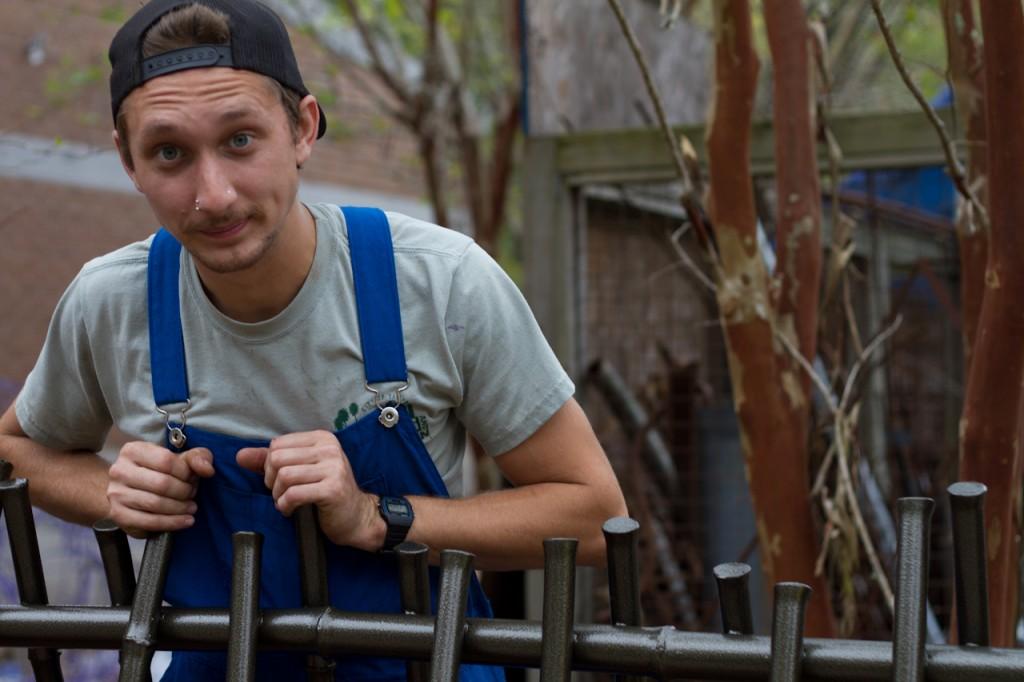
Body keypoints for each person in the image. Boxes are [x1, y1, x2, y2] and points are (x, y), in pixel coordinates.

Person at [0, 0, 627, 679]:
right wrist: (113, 494)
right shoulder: (110, 302)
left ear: (302, 128)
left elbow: (595, 516)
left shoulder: (441, 283)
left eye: (240, 140)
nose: (213, 195)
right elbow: (14, 449)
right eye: (169, 152)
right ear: (128, 159)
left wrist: (378, 516)